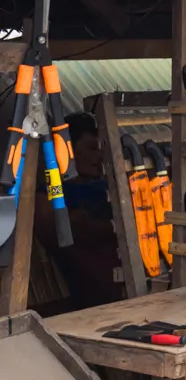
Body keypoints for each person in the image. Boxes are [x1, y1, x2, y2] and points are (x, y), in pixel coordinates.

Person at [33, 112, 123, 312]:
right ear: (68, 151)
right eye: (92, 148)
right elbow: (57, 232)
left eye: (101, 149)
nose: (99, 156)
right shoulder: (52, 191)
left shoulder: (109, 186)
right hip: (95, 289)